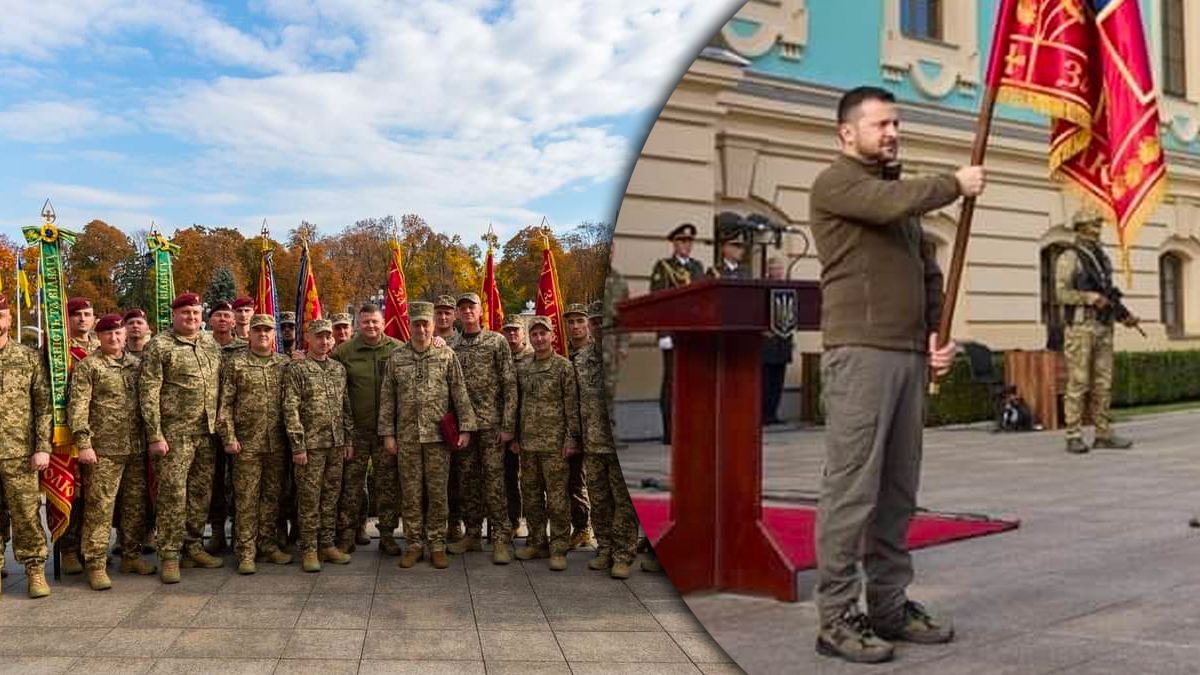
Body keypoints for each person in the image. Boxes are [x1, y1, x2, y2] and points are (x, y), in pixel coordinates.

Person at [809, 86, 982, 663]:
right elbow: (891, 204)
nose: (891, 133)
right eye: (880, 124)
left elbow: (926, 272)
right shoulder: (838, 184)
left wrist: (934, 334)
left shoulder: (897, 199)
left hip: (907, 355)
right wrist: (954, 184)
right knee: (852, 490)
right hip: (861, 354)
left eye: (896, 124)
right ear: (847, 133)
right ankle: (836, 619)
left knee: (897, 492)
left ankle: (888, 606)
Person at [379, 301, 477, 570]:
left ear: (433, 326)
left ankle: (436, 544)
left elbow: (459, 392)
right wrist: (388, 434)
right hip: (408, 437)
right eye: (417, 324)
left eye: (425, 324)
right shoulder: (397, 358)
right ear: (409, 326)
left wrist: (466, 427)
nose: (421, 329)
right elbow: (387, 399)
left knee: (437, 493)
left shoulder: (446, 355)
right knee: (410, 493)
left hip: (437, 439)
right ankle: (413, 544)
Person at [138, 292, 224, 583]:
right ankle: (170, 554)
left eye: (196, 313)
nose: (192, 318)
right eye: (186, 313)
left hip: (206, 433)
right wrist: (155, 434)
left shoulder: (209, 343)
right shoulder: (160, 345)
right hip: (174, 435)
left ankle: (193, 546)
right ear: (174, 315)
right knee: (173, 495)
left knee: (200, 494)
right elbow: (149, 392)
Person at [68, 313, 156, 590]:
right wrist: (83, 443)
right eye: (108, 333)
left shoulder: (136, 364)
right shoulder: (89, 366)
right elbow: (78, 407)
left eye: (118, 333)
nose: (114, 338)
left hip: (135, 448)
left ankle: (131, 555)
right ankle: (95, 563)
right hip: (103, 450)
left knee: (134, 506)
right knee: (100, 508)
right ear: (99, 336)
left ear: (124, 334)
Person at [1055, 208, 1138, 454]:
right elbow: (1061, 294)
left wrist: (1125, 316)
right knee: (1078, 381)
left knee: (1103, 382)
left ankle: (1103, 433)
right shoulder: (1069, 257)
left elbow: (1109, 294)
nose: (1098, 229)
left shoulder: (1101, 258)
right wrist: (1088, 297)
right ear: (1081, 227)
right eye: (1093, 224)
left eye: (1099, 225)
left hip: (1104, 326)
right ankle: (1073, 435)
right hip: (1081, 327)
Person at [217, 314, 294, 573]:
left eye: (267, 331)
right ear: (249, 334)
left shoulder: (284, 364)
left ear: (274, 335)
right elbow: (225, 404)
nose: (263, 334)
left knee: (272, 497)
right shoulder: (236, 364)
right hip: (246, 445)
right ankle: (246, 551)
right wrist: (229, 437)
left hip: (276, 444)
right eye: (258, 330)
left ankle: (267, 544)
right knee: (246, 499)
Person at [447, 293, 518, 563]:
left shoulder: (496, 341)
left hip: (491, 426)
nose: (467, 311)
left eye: (471, 307)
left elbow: (509, 384)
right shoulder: (452, 345)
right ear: (457, 314)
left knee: (494, 482)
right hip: (465, 426)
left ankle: (500, 537)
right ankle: (473, 534)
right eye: (462, 308)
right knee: (468, 481)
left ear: (480, 311)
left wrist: (508, 425)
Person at [283, 319, 354, 572]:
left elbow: (345, 407)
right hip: (310, 446)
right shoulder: (298, 369)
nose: (324, 342)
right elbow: (290, 409)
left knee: (330, 497)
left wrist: (347, 439)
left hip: (335, 444)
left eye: (328, 337)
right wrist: (298, 445)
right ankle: (309, 548)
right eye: (319, 337)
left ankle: (326, 544)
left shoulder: (338, 369)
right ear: (309, 339)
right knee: (309, 499)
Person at [331, 303, 403, 556]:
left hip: (387, 431)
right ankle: (347, 535)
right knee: (351, 486)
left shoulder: (397, 349)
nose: (370, 326)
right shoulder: (344, 352)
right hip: (356, 432)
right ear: (358, 324)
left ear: (383, 323)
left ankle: (387, 536)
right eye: (365, 322)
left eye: (375, 321)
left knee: (387, 485)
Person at [514, 316, 581, 572]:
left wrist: (571, 438)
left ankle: (559, 546)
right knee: (531, 496)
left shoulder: (563, 367)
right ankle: (537, 541)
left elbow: (571, 406)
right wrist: (517, 437)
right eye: (535, 334)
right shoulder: (524, 368)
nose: (539, 338)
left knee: (557, 499)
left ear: (552, 336)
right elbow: (517, 405)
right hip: (528, 444)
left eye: (544, 334)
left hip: (555, 445)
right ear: (530, 338)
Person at [575, 306, 638, 579]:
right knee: (599, 500)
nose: (598, 327)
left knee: (623, 503)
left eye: (603, 322)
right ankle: (605, 548)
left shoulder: (625, 357)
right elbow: (576, 402)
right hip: (592, 442)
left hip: (620, 445)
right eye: (595, 323)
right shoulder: (581, 359)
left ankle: (623, 554)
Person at [0, 295, 53, 598]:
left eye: (1, 315)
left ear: (9, 319)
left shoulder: (28, 357)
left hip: (19, 452)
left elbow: (43, 406)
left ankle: (35, 569)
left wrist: (43, 446)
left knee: (26, 514)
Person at [649, 223, 704, 445]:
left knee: (693, 382)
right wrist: (663, 332)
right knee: (672, 382)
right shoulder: (664, 267)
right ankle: (670, 431)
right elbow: (659, 302)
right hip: (673, 333)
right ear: (674, 243)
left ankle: (689, 429)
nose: (687, 246)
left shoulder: (697, 267)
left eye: (689, 242)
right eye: (682, 241)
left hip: (693, 334)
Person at [58, 296, 101, 575]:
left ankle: (90, 547)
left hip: (103, 430)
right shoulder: (59, 349)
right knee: (72, 493)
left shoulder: (102, 344)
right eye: (77, 314)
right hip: (70, 432)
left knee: (95, 495)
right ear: (67, 318)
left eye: (87, 314)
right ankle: (69, 550)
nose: (83, 319)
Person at [205, 300, 247, 556]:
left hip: (239, 424)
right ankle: (218, 532)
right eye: (218, 315)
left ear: (234, 322)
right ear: (210, 320)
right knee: (213, 481)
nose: (222, 319)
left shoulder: (244, 348)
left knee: (241, 481)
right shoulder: (201, 346)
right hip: (207, 425)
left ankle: (242, 532)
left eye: (227, 316)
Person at [433, 294, 465, 543]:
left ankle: (454, 523)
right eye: (439, 312)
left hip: (458, 419)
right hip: (434, 420)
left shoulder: (464, 341)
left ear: (454, 315)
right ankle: (433, 525)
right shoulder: (425, 340)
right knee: (434, 479)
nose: (443, 317)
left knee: (456, 476)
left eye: (447, 312)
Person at [563, 302, 595, 549]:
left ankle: (592, 530)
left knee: (595, 484)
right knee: (574, 481)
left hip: (595, 429)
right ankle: (582, 528)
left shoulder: (596, 354)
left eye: (580, 321)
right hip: (571, 429)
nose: (575, 326)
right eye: (571, 322)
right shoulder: (564, 354)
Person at [501, 316, 533, 533]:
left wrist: (518, 435)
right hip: (505, 427)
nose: (512, 334)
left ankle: (535, 528)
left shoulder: (533, 358)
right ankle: (514, 522)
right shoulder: (501, 357)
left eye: (516, 330)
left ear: (523, 333)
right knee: (508, 477)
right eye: (508, 330)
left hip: (529, 428)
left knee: (531, 481)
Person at [762, 258, 794, 425]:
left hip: (784, 339)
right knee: (766, 380)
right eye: (774, 268)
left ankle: (773, 413)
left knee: (778, 380)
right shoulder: (763, 287)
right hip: (768, 341)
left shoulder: (788, 287)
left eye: (780, 268)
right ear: (769, 270)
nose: (778, 271)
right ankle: (763, 414)